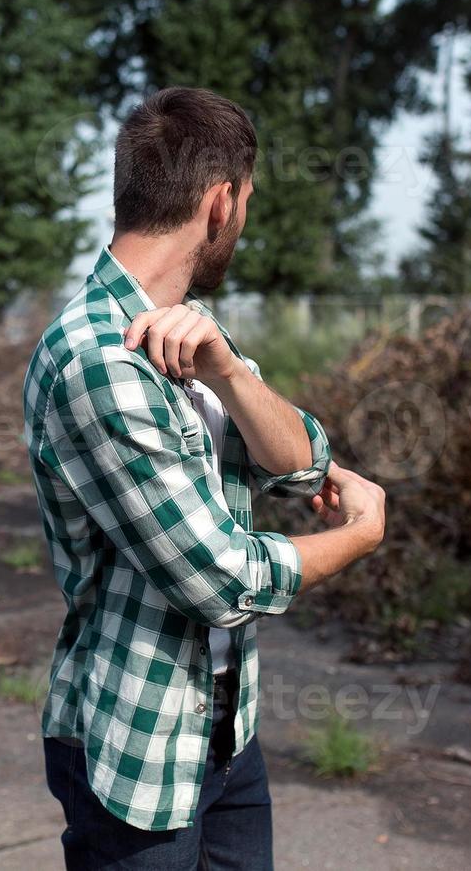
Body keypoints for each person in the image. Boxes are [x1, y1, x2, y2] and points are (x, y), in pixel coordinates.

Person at [22, 86, 388, 870]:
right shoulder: (102, 361)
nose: (243, 223)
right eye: (248, 202)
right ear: (220, 204)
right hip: (138, 750)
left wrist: (228, 371)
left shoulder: (190, 337)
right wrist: (360, 538)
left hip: (223, 727)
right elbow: (221, 581)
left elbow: (300, 466)